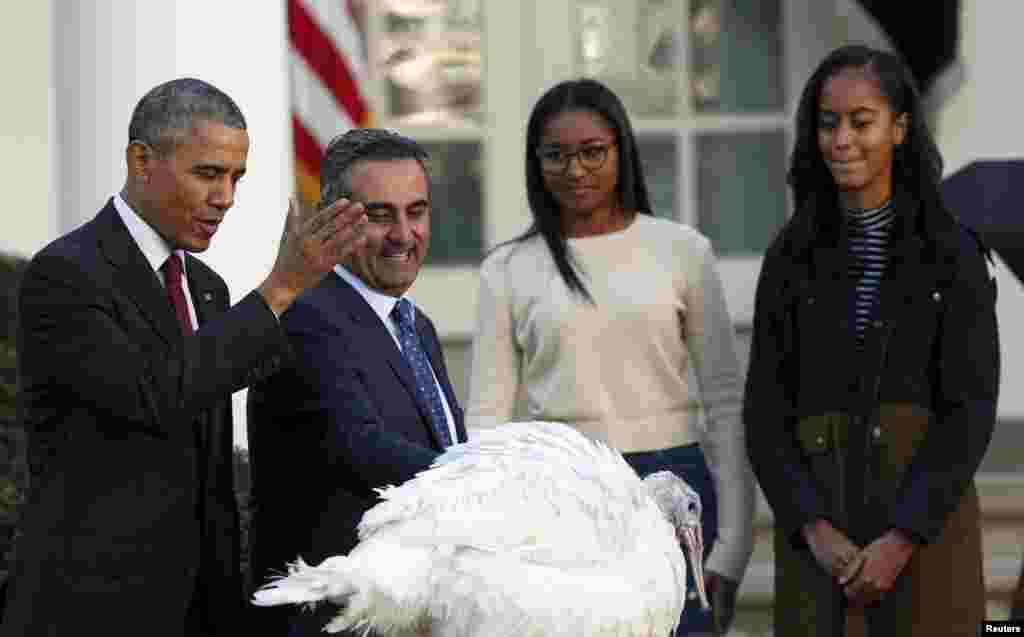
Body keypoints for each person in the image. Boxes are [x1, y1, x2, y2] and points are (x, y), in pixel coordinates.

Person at [0, 78, 368, 637]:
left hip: (202, 608)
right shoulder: (67, 274)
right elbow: (155, 393)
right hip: (92, 609)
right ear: (142, 161)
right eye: (208, 174)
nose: (225, 197)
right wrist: (280, 288)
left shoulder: (206, 286)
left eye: (236, 178)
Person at [465, 78, 754, 636]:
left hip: (675, 490)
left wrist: (733, 545)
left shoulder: (682, 251)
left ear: (622, 150)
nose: (575, 170)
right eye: (556, 155)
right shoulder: (506, 270)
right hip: (559, 496)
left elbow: (723, 403)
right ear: (535, 162)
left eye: (592, 152)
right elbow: (486, 424)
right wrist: (489, 539)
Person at [743, 44, 999, 636]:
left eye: (862, 122)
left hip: (925, 534)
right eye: (828, 123)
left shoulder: (951, 251)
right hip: (821, 541)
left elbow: (971, 409)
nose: (841, 140)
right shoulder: (790, 256)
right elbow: (764, 412)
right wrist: (812, 527)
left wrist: (903, 536)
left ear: (900, 127)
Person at [246, 128, 467, 636]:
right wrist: (501, 475)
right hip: (332, 621)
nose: (404, 235)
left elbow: (442, 448)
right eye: (380, 215)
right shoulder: (306, 316)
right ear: (332, 220)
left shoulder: (416, 326)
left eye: (417, 211)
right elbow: (365, 450)